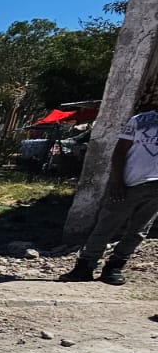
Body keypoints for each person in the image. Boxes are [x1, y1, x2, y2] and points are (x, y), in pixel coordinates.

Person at [62, 103, 158, 285]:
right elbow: (120, 151)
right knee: (106, 225)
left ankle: (115, 267)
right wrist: (117, 181)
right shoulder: (140, 120)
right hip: (130, 183)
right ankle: (85, 266)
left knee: (138, 231)